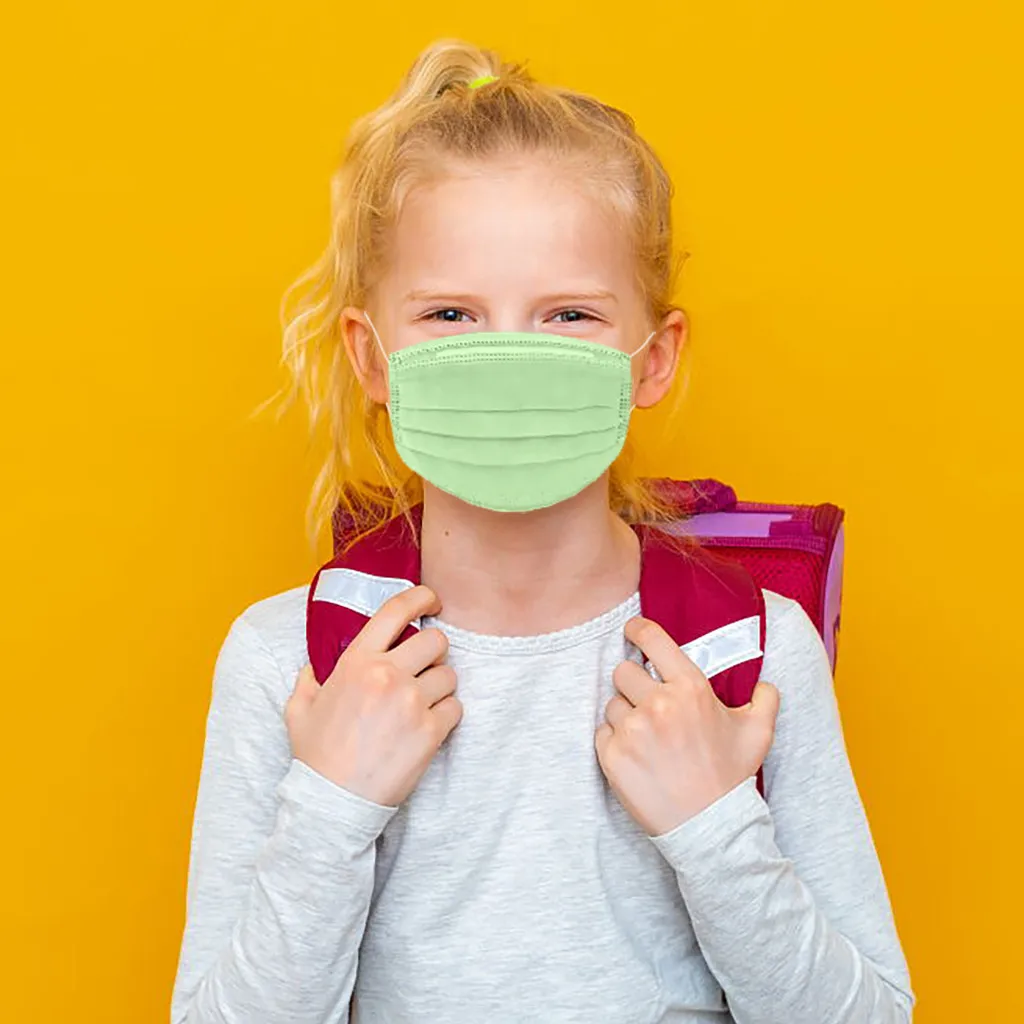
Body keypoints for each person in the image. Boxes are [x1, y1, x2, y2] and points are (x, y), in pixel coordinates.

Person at [170, 38, 915, 1024]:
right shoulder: (290, 666)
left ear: (653, 358)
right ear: (372, 357)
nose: (510, 361)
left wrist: (714, 827)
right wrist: (332, 806)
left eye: (568, 314)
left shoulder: (753, 653)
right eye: (450, 314)